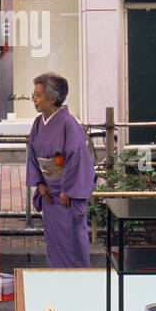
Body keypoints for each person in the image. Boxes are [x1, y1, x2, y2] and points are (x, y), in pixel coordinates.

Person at [24, 73, 95, 267]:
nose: (34, 99)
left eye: (38, 95)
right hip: (49, 192)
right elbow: (32, 155)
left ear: (53, 98)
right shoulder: (38, 123)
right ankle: (56, 275)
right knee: (54, 241)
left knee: (72, 238)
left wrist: (68, 189)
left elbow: (77, 157)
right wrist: (39, 184)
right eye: (33, 95)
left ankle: (78, 277)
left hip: (67, 195)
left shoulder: (69, 123)